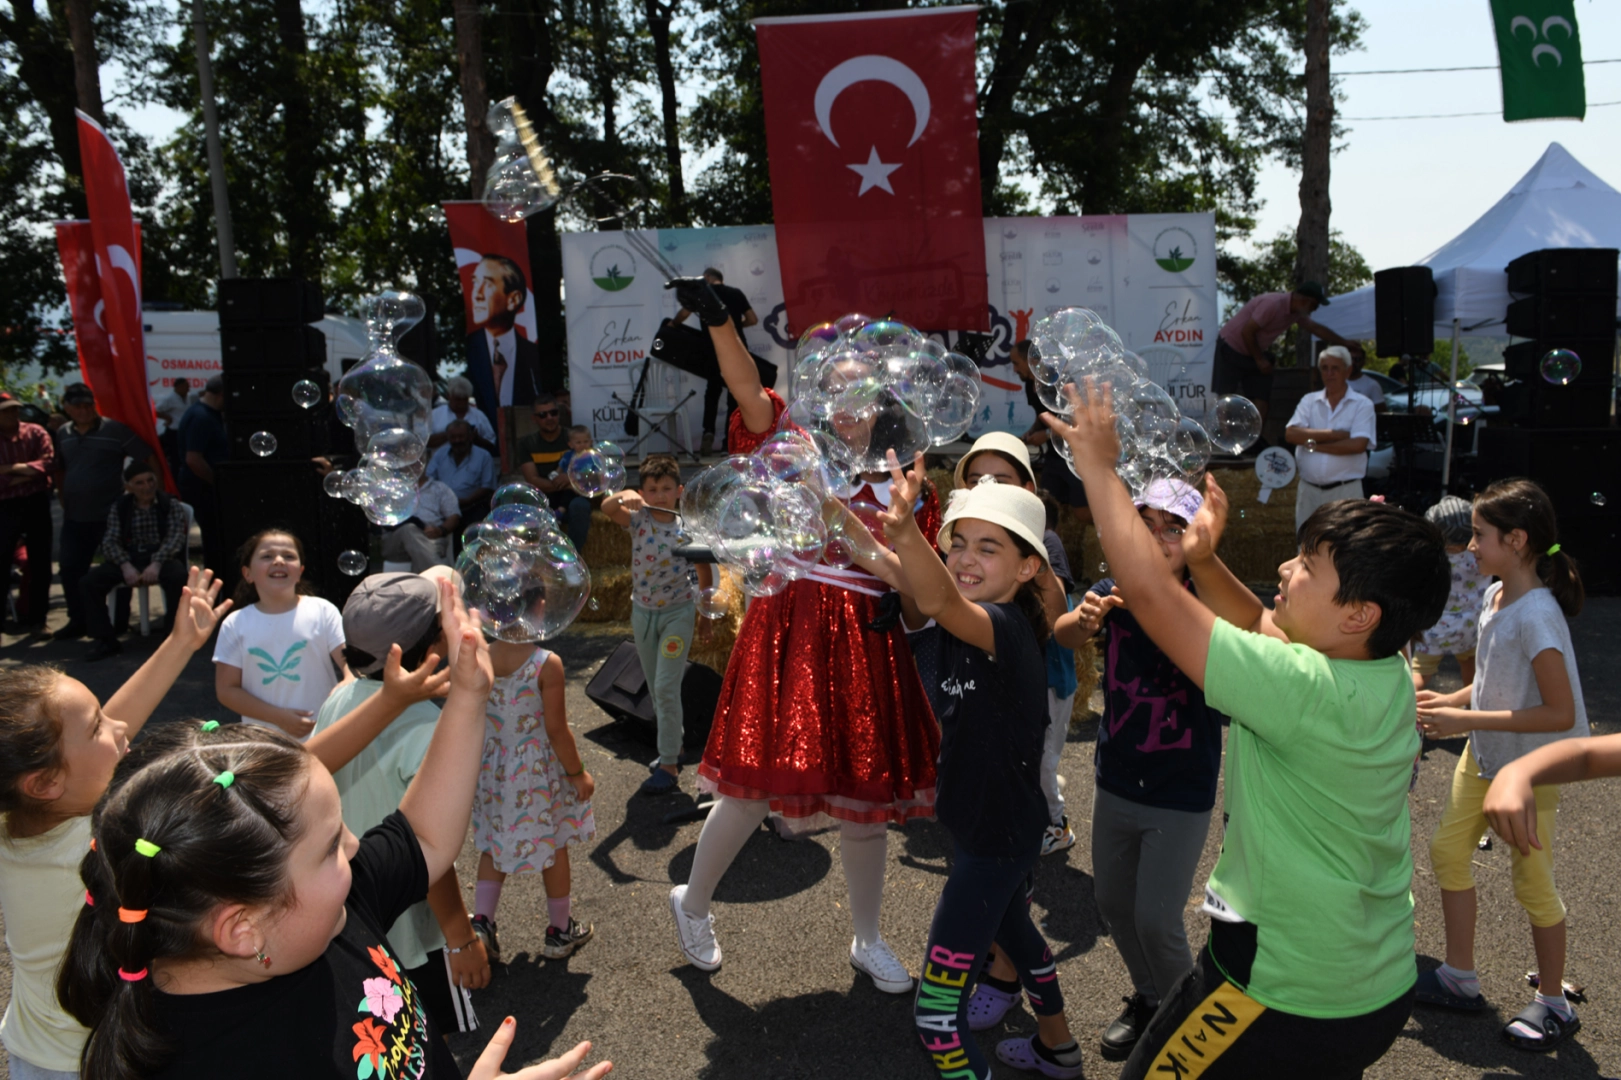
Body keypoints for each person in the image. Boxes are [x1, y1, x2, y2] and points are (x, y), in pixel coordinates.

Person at [1045, 379, 1451, 1079]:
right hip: (1369, 984)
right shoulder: (1377, 672)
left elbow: (1146, 593)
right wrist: (1202, 560)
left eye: (1307, 567)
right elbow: (1259, 625)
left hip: (1279, 987)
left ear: (1358, 614)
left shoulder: (1296, 687)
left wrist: (1097, 468)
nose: (1285, 569)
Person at [56, 580, 613, 1080]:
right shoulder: (219, 1061)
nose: (357, 842)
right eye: (329, 847)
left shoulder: (320, 917)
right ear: (241, 928)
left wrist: (469, 695)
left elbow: (422, 837)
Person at [664, 278, 939, 995]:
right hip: (791, 626)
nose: (848, 411)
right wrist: (721, 320)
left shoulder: (910, 481)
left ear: (883, 403)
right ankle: (691, 904)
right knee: (753, 785)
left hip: (868, 639)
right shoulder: (789, 442)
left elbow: (922, 583)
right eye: (836, 394)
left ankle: (868, 938)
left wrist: (901, 600)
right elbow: (744, 386)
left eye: (862, 396)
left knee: (867, 802)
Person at [872, 462, 1083, 1080]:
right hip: (992, 832)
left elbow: (933, 594)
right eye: (957, 543)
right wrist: (832, 512)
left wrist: (909, 527)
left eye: (987, 548)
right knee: (1017, 934)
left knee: (936, 1019)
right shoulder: (975, 617)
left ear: (1028, 569)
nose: (966, 558)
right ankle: (1059, 1050)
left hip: (994, 841)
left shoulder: (1005, 627)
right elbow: (896, 570)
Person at [0, 568, 227, 1080]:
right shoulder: (98, 852)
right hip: (93, 1062)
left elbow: (96, 742)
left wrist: (179, 643)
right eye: (98, 726)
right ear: (44, 783)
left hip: (34, 1051)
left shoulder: (18, 816)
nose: (120, 726)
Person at [1048, 478, 1223, 1061]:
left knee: (1156, 917)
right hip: (1117, 776)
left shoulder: (1209, 600)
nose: (1156, 537)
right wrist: (1088, 619)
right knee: (1115, 904)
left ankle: (1186, 1023)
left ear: (1198, 538)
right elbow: (1063, 633)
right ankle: (1152, 996)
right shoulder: (1111, 590)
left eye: (1173, 527)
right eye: (1143, 523)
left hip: (1181, 787)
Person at [1413, 479, 1588, 1051]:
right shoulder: (1493, 597)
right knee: (1445, 852)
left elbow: (1558, 712)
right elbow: (1490, 685)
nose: (1469, 548)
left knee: (1532, 883)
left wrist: (1467, 721)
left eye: (1480, 537)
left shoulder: (1537, 614)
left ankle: (1554, 1003)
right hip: (1484, 757)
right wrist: (1453, 702)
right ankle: (1461, 978)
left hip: (1531, 771)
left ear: (1515, 541)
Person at [307, 570, 490, 1034]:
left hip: (352, 911)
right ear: (433, 651)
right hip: (413, 931)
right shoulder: (428, 730)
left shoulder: (341, 699)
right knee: (430, 1044)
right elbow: (426, 850)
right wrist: (459, 936)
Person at [948, 434, 1073, 855]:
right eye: (976, 480)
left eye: (1000, 480)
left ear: (1027, 489)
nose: (987, 488)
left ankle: (1052, 824)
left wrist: (1031, 554)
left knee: (1037, 765)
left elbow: (1056, 619)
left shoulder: (1039, 546)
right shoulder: (965, 549)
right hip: (981, 689)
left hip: (1038, 684)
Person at [469, 634, 596, 965]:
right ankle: (559, 930)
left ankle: (482, 923)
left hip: (494, 769)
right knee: (554, 843)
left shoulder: (479, 656)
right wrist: (577, 772)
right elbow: (556, 730)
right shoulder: (546, 664)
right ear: (539, 609)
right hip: (536, 774)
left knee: (492, 846)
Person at [600, 456, 712, 795]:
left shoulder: (687, 528)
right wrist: (623, 496)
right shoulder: (638, 520)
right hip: (643, 613)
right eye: (652, 489)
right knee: (655, 686)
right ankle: (674, 746)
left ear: (679, 491)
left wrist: (705, 616)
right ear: (643, 493)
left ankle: (668, 765)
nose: (660, 496)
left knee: (664, 687)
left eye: (666, 489)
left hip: (678, 614)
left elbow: (705, 572)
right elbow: (606, 508)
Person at [213, 529, 349, 741]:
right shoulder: (235, 623)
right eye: (267, 556)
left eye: (289, 556)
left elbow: (349, 664)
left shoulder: (322, 610)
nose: (278, 561)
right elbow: (227, 690)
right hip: (265, 742)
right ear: (247, 573)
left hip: (324, 735)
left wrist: (347, 682)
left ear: (300, 571)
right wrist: (279, 718)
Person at [52, 383, 158, 642]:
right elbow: (60, 469)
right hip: (76, 515)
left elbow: (147, 456)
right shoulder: (63, 433)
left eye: (88, 405)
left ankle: (119, 621)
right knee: (70, 568)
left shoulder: (114, 430)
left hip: (112, 515)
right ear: (66, 408)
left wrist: (156, 494)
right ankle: (78, 620)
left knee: (119, 566)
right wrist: (62, 496)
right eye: (77, 406)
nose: (83, 410)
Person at [79, 462, 191, 662]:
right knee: (89, 582)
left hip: (160, 555)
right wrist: (125, 565)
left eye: (150, 481)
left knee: (178, 577)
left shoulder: (169, 504)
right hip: (129, 556)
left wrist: (156, 563)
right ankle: (106, 639)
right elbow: (110, 541)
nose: (146, 487)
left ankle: (172, 639)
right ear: (129, 486)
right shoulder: (120, 506)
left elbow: (175, 538)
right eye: (139, 483)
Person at [1214, 282, 1362, 429]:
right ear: (1305, 300)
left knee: (1262, 397)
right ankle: (1225, 441)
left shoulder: (1296, 313)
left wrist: (1344, 342)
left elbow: (1315, 328)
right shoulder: (1272, 304)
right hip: (1231, 348)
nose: (1314, 310)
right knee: (1225, 397)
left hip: (1254, 351)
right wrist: (1259, 360)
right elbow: (1247, 332)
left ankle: (1253, 440)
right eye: (1315, 306)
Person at [1284, 345, 1377, 531]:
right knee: (1306, 547)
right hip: (1309, 491)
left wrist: (1311, 444)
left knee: (1345, 549)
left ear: (1348, 371)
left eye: (1335, 368)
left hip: (1345, 491)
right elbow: (1291, 434)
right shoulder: (1309, 401)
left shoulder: (1362, 404)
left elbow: (1357, 445)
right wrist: (1335, 435)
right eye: (1325, 368)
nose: (1330, 373)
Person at [673, 268, 758, 454]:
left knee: (712, 392)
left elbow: (683, 314)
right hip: (738, 350)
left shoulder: (704, 294)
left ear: (707, 278)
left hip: (713, 350)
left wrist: (672, 325)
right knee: (735, 397)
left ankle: (708, 433)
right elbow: (753, 319)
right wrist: (734, 327)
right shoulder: (736, 293)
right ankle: (730, 441)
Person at [1411, 495, 1490, 691]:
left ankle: (1406, 707)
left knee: (1420, 673)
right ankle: (1472, 707)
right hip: (1470, 626)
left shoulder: (1432, 560)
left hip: (1435, 628)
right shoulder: (1481, 556)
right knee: (1470, 667)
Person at [1008, 340, 1091, 526]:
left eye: (1016, 363)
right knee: (1045, 508)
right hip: (1054, 455)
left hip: (1074, 455)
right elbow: (1043, 415)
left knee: (1082, 513)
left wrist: (1045, 435)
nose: (1014, 369)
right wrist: (1032, 431)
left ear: (1031, 361)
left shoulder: (1059, 382)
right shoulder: (1030, 385)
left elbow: (1075, 418)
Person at [0, 392, 55, 634]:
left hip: (36, 502)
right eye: (6, 411)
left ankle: (38, 618)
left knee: (41, 561)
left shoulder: (35, 432)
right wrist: (28, 474)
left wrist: (9, 471)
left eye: (15, 409)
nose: (12, 414)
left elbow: (47, 465)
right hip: (5, 506)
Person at [463, 254, 544, 415]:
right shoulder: (468, 347)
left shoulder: (532, 354)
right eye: (475, 282)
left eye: (487, 284)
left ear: (513, 299)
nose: (477, 294)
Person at [516, 398, 591, 551]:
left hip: (573, 495)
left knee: (580, 506)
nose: (549, 418)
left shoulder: (575, 437)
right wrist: (568, 482)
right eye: (543, 414)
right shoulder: (526, 443)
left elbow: (590, 471)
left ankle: (572, 557)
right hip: (546, 495)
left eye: (553, 413)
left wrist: (570, 482)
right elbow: (533, 480)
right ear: (534, 419)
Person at [176, 375, 230, 574]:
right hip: (202, 490)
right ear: (222, 395)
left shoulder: (208, 414)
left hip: (204, 488)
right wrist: (217, 483)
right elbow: (193, 459)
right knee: (213, 540)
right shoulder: (202, 417)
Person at [380, 466, 461, 572]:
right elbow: (382, 516)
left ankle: (426, 582)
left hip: (431, 538)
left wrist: (441, 530)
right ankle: (442, 577)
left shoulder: (440, 488)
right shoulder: (392, 490)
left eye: (416, 462)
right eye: (408, 462)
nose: (412, 467)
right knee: (409, 529)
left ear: (425, 464)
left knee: (419, 544)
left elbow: (454, 516)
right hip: (396, 542)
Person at [426, 419, 497, 528]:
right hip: (442, 507)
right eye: (453, 437)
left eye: (461, 436)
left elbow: (487, 487)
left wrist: (466, 501)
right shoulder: (440, 454)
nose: (457, 440)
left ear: (470, 436)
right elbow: (429, 479)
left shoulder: (484, 456)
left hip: (473, 507)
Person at [428, 376, 497, 453]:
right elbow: (425, 443)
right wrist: (450, 435)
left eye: (464, 399)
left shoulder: (479, 415)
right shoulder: (435, 414)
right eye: (457, 399)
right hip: (441, 463)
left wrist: (476, 439)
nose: (461, 403)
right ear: (448, 396)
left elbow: (491, 444)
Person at [153, 378, 193, 479]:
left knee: (184, 457)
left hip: (184, 431)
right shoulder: (170, 399)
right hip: (173, 432)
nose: (188, 389)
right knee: (175, 459)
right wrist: (167, 418)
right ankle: (175, 481)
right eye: (186, 387)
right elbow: (156, 410)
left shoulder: (186, 397)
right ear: (179, 387)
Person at [1343, 349, 1387, 414]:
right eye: (1350, 359)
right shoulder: (1336, 383)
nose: (1353, 362)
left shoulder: (1372, 385)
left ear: (1363, 362)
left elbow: (1381, 412)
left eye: (1357, 359)